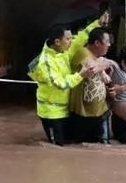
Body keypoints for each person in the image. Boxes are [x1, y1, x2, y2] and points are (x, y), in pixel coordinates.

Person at [28, 12, 109, 145]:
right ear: (57, 41)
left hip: (66, 109)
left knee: (71, 142)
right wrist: (81, 75)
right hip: (51, 113)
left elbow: (81, 38)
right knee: (58, 146)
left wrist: (98, 23)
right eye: (68, 39)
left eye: (71, 38)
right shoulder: (46, 62)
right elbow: (60, 84)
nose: (71, 42)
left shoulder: (64, 51)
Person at [69, 27, 114, 143]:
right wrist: (107, 63)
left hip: (101, 112)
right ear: (97, 43)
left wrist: (106, 66)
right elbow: (92, 68)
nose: (109, 45)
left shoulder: (99, 58)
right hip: (83, 114)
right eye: (107, 41)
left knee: (104, 150)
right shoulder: (82, 52)